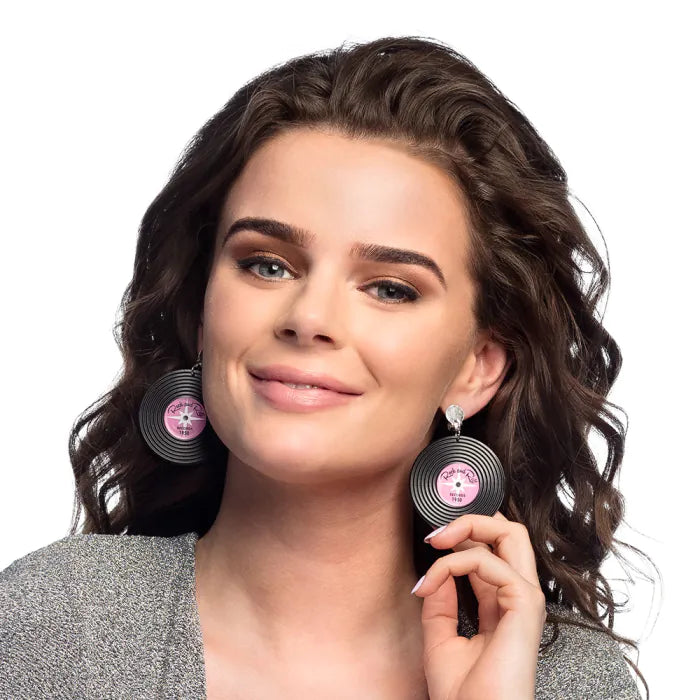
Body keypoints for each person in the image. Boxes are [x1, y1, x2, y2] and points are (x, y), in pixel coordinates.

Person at [0, 35, 649, 699]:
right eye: (266, 265)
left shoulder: (565, 683)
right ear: (202, 312)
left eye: (389, 288)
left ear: (476, 368)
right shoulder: (54, 624)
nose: (308, 317)